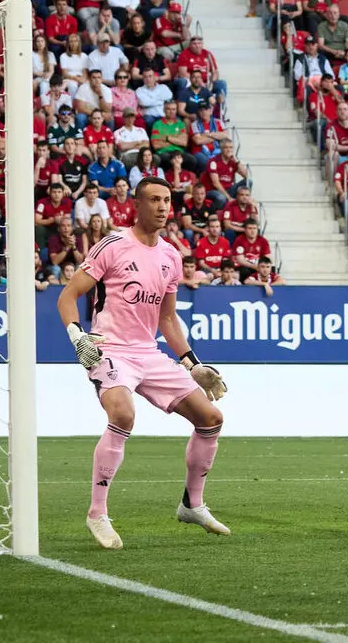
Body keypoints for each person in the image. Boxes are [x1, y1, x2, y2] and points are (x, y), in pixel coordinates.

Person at [56, 177, 231, 550]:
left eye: (167, 200)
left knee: (211, 418)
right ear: (136, 205)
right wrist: (78, 339)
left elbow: (167, 319)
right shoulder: (113, 246)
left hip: (149, 353)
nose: (163, 206)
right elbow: (68, 296)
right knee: (122, 414)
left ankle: (192, 505)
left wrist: (191, 363)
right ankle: (97, 514)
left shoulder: (171, 256)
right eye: (154, 199)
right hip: (109, 350)